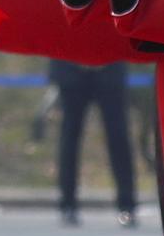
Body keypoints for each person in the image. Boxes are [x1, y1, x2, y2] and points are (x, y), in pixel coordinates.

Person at [51, 58, 140, 226]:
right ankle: (67, 205)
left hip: (110, 66)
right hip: (70, 68)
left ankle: (127, 205)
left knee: (118, 137)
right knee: (69, 139)